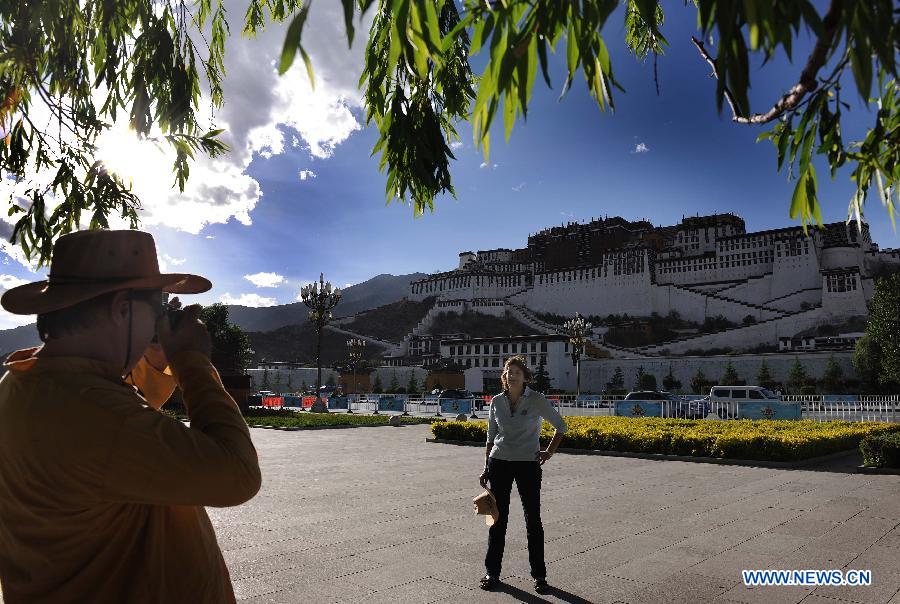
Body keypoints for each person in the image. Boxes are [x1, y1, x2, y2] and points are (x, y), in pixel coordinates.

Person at [0, 229, 262, 603]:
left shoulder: (28, 381)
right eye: (157, 308)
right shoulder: (92, 412)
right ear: (122, 308)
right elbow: (237, 474)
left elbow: (121, 433)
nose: (158, 323)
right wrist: (193, 361)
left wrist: (156, 361)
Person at [478, 355, 567, 594]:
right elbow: (490, 437)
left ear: (525, 376)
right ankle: (492, 572)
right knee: (498, 519)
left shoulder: (537, 400)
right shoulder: (496, 401)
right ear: (504, 377)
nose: (511, 375)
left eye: (516, 371)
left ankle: (539, 575)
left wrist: (548, 452)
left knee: (533, 520)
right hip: (499, 463)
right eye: (508, 371)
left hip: (528, 464)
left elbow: (561, 426)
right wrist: (486, 467)